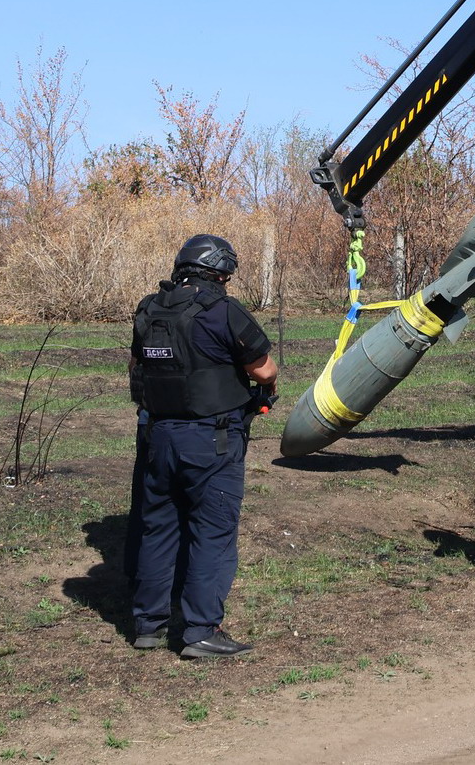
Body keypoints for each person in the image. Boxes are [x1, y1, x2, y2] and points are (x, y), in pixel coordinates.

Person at [128, 234, 276, 659]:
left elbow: (137, 368)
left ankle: (148, 624)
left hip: (158, 436)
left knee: (158, 529)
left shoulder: (149, 309)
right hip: (211, 439)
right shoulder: (222, 311)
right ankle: (199, 631)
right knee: (212, 533)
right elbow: (264, 371)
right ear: (221, 272)